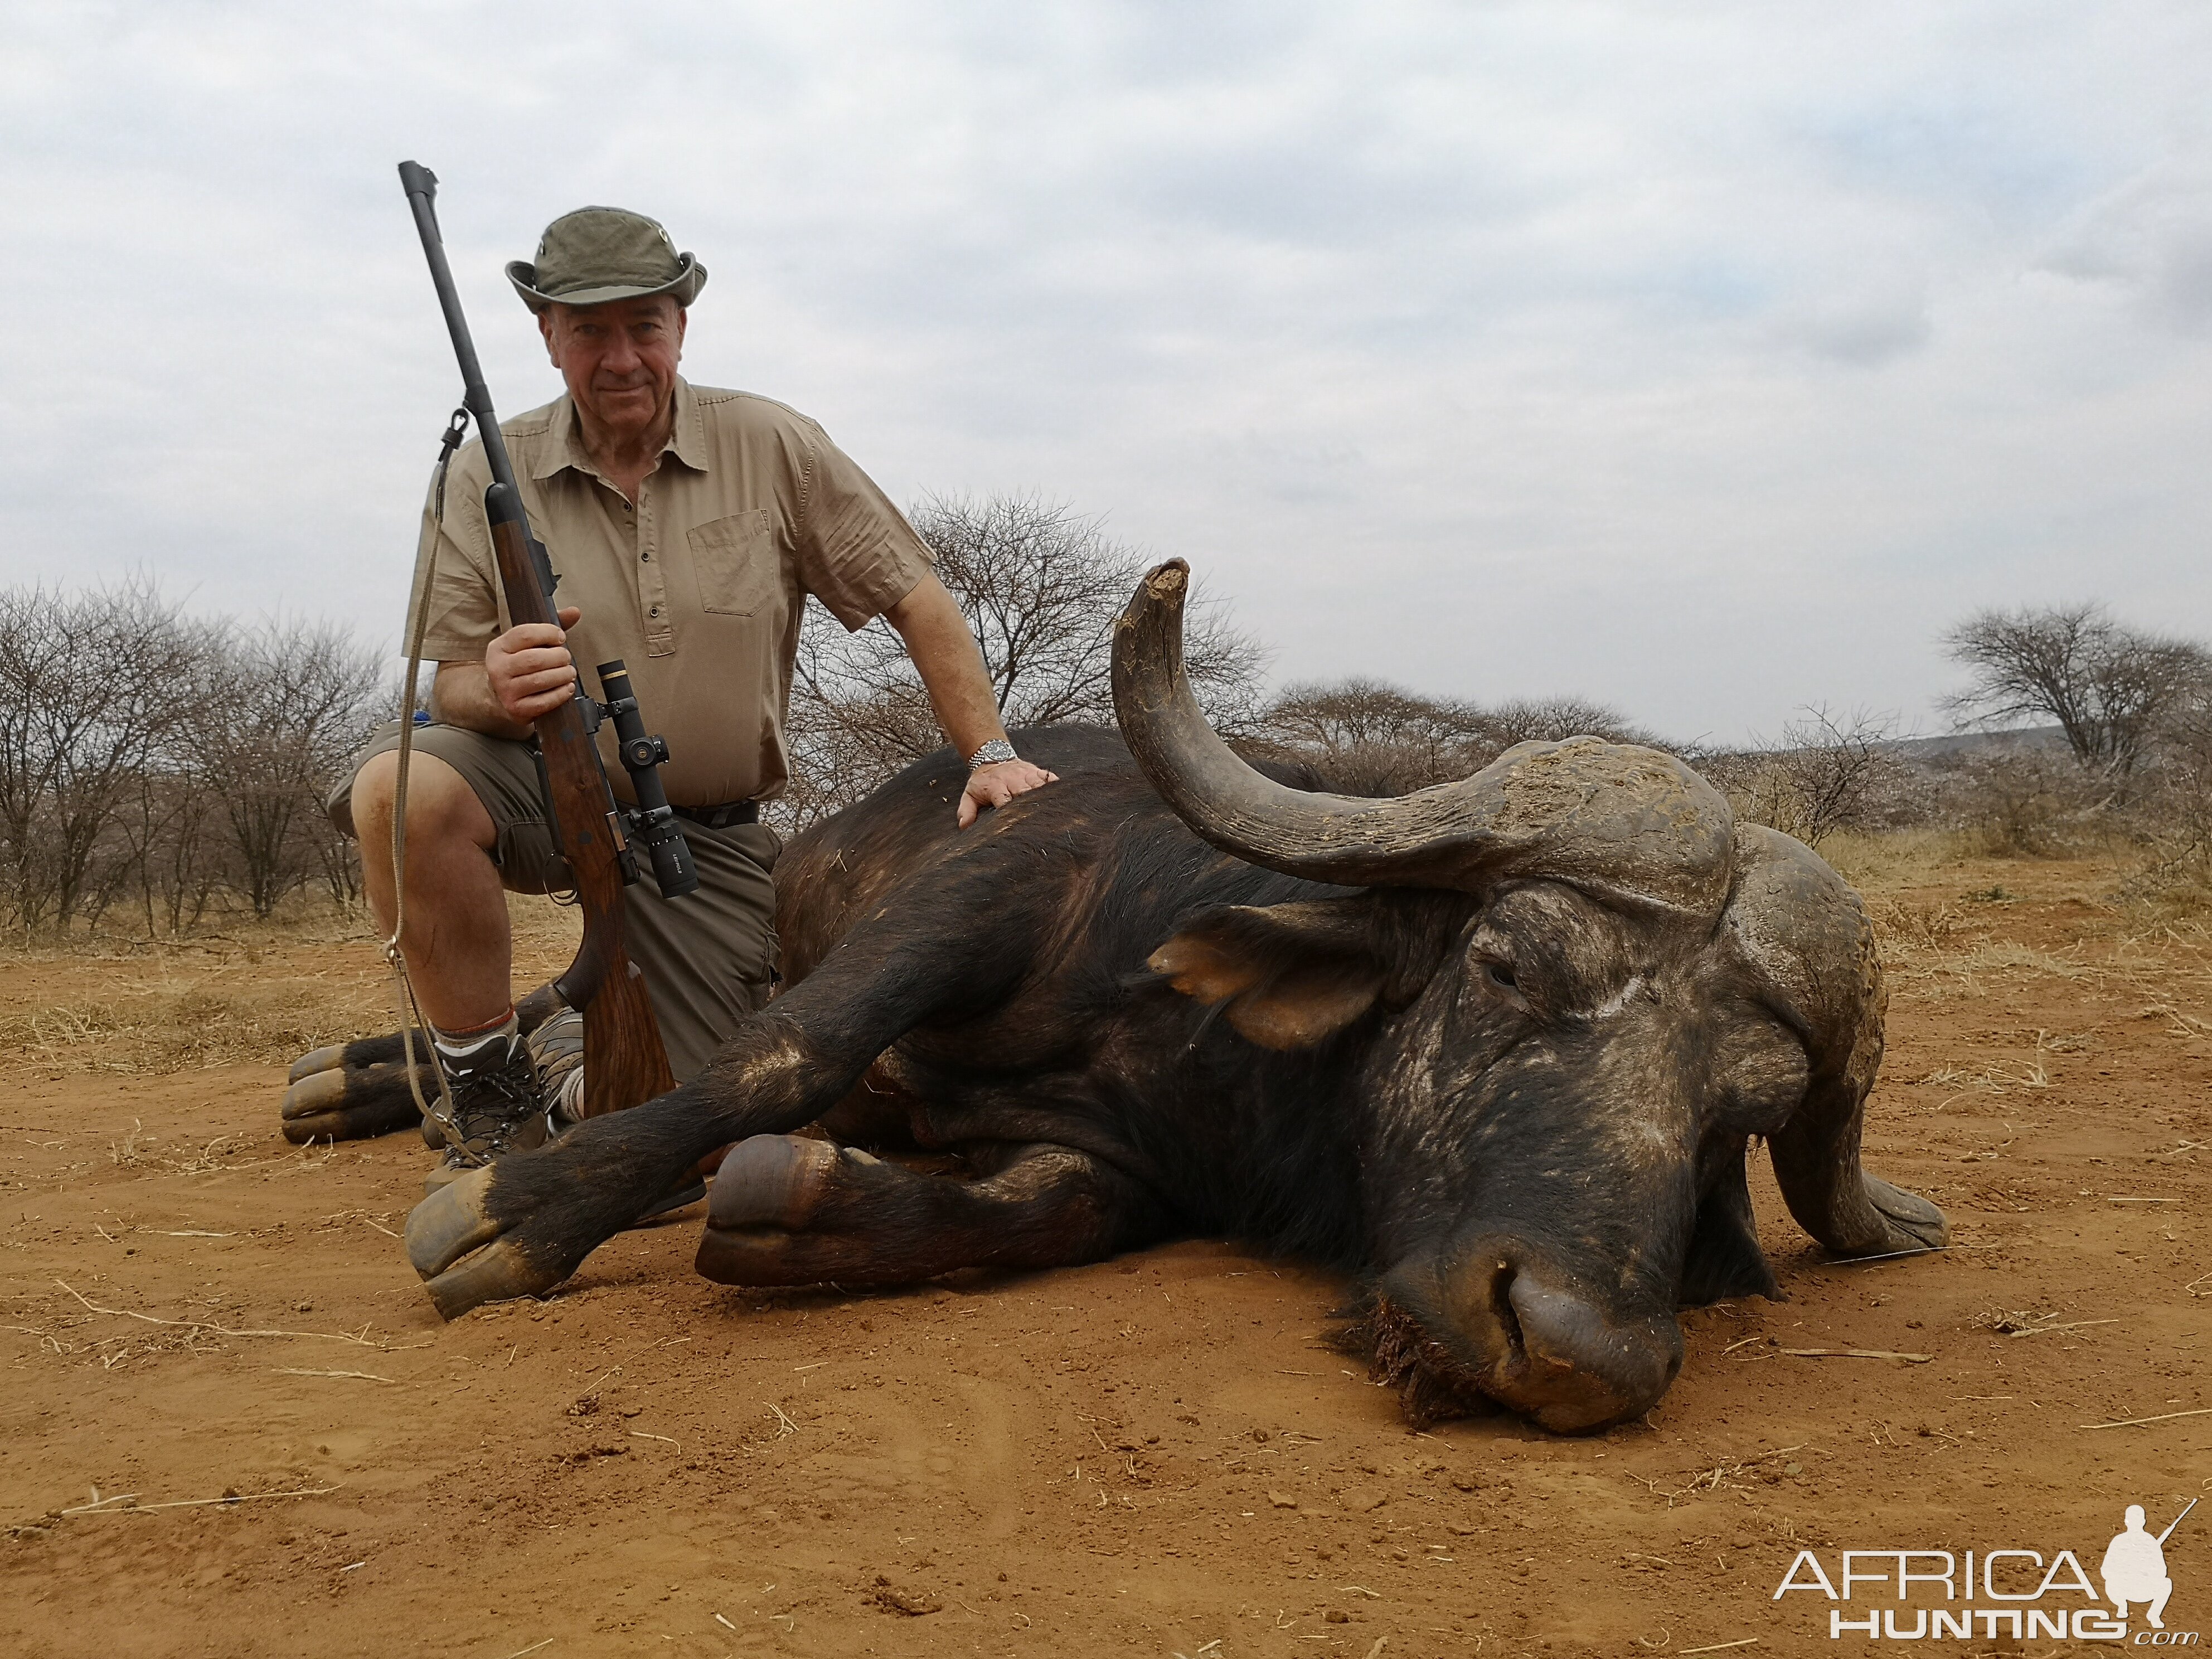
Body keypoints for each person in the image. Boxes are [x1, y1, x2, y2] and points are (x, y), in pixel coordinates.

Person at [332, 205, 1056, 1196]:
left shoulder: (772, 441)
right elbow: (452, 677)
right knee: (399, 789)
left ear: (682, 326)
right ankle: (485, 1092)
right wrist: (497, 687)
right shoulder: (483, 467)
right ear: (546, 335)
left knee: (716, 1132)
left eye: (643, 325)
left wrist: (989, 755)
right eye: (588, 330)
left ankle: (564, 1079)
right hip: (543, 785)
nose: (619, 356)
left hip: (702, 839)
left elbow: (914, 596)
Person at [2101, 1504, 2175, 1628]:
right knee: (2110, 1582)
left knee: (2166, 1583)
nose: (2134, 1524)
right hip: (2122, 1589)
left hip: (2144, 1589)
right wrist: (2124, 1572)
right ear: (2126, 1522)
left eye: (2137, 1521)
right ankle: (2122, 1606)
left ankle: (2154, 1615)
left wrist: (2145, 1571)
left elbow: (2162, 1572)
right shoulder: (2118, 1541)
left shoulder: (2151, 1542)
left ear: (2143, 1522)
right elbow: (2105, 1570)